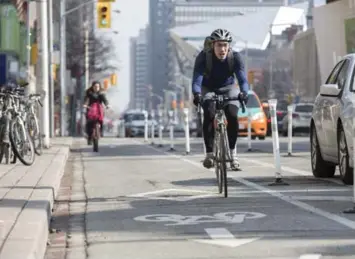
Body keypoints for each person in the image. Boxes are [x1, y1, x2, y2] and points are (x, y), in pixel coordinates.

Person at [191, 28, 249, 170]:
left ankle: (233, 153)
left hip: (228, 87)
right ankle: (210, 154)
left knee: (232, 114)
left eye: (225, 45)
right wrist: (197, 94)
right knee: (209, 114)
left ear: (229, 46)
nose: (222, 49)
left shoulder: (235, 57)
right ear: (212, 45)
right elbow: (197, 80)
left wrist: (244, 92)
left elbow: (242, 80)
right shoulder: (203, 57)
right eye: (218, 45)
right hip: (208, 88)